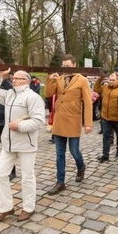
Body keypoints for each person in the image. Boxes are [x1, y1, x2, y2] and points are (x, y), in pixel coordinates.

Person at [0, 69, 46, 222]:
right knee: (0, 174)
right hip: (8, 144)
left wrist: (19, 126)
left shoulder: (33, 97)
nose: (14, 80)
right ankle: (7, 207)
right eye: (13, 78)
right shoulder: (9, 94)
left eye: (18, 78)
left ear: (27, 81)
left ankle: (28, 208)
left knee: (27, 177)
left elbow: (39, 121)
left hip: (26, 144)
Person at [45, 54, 93, 194]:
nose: (65, 68)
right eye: (63, 66)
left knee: (74, 151)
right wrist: (50, 79)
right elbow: (48, 93)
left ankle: (81, 166)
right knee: (59, 153)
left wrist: (88, 123)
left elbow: (88, 102)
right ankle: (60, 182)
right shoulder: (59, 78)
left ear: (74, 65)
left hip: (73, 119)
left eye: (68, 66)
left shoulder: (82, 80)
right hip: (60, 119)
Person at [95, 72, 118, 163]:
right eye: (110, 80)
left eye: (113, 80)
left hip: (117, 118)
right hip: (106, 117)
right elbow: (96, 89)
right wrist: (100, 79)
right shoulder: (106, 87)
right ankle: (105, 155)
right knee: (106, 136)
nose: (111, 82)